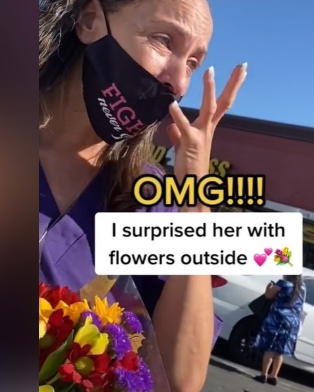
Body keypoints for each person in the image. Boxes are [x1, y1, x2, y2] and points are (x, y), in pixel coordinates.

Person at [38, 0, 247, 391]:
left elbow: (179, 377)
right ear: (89, 21)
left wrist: (195, 196)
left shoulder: (151, 199)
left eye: (193, 63)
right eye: (164, 41)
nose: (179, 84)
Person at [253, 275, 306, 386]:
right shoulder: (303, 287)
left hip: (277, 320)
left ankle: (263, 375)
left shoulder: (283, 283)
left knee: (270, 348)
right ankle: (274, 376)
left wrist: (269, 287)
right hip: (292, 323)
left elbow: (268, 296)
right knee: (279, 351)